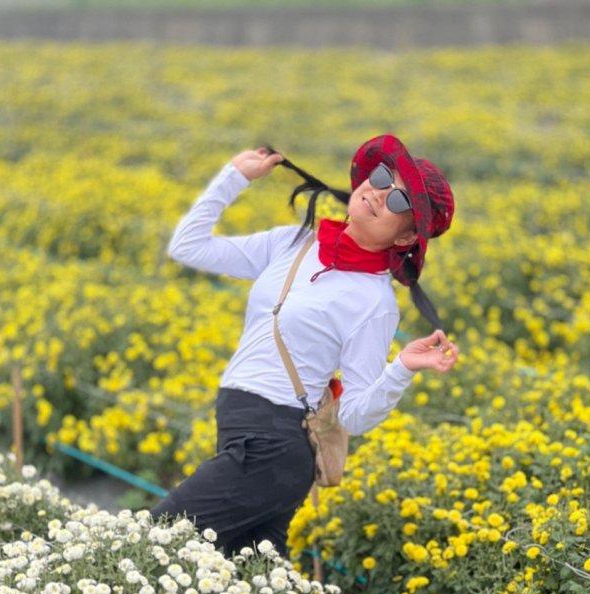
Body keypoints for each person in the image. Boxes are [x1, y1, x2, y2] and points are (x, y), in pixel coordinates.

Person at [151, 134, 459, 558]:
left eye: (400, 202)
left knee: (155, 538)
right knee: (252, 585)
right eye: (384, 177)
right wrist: (233, 178)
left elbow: (355, 415)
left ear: (405, 239)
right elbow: (188, 246)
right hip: (241, 432)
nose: (380, 193)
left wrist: (401, 368)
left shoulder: (374, 301)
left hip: (274, 447)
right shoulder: (295, 243)